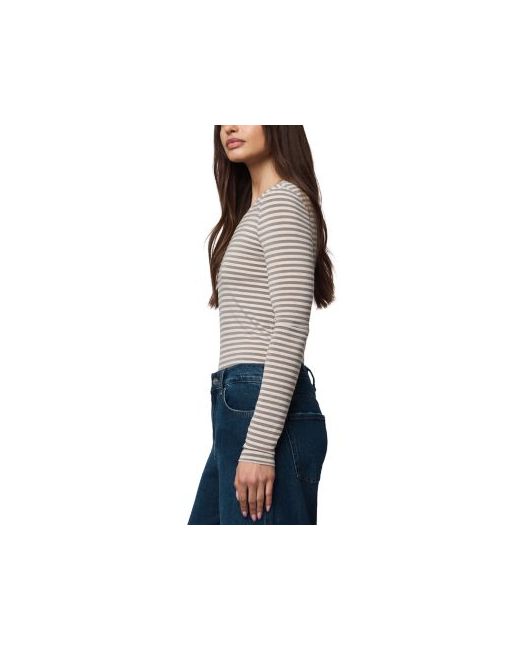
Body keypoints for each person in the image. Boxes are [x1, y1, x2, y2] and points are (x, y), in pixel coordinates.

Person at [187, 125, 335, 525]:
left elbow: (291, 326)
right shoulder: (256, 210)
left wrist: (258, 444)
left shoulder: (283, 201)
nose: (229, 127)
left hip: (261, 406)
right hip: (239, 406)